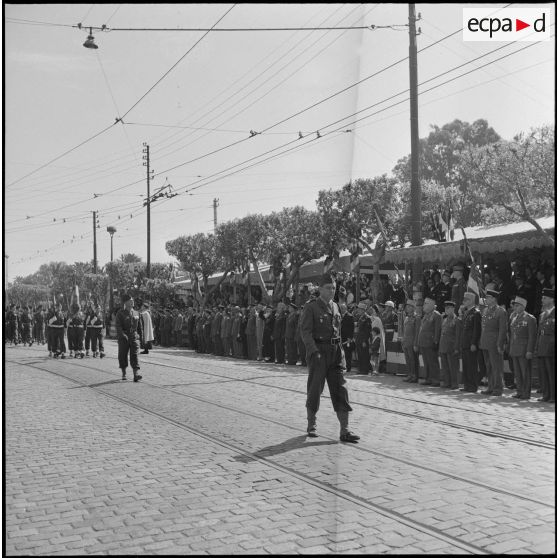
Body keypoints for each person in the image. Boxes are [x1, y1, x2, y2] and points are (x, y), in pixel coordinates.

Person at [300, 273, 359, 443]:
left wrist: (341, 354)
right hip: (319, 352)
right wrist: (313, 351)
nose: (331, 291)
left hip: (335, 352)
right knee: (315, 390)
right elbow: (305, 332)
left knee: (341, 389)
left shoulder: (336, 307)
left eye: (333, 288)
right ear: (320, 289)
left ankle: (345, 430)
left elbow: (338, 332)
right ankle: (311, 424)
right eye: (328, 288)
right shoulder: (311, 307)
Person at [479, 290, 508, 397]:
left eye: (488, 297)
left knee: (496, 367)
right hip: (485, 342)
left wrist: (500, 344)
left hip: (495, 343)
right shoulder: (486, 310)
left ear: (494, 299)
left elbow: (502, 330)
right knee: (489, 366)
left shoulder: (501, 311)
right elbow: (483, 327)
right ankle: (491, 387)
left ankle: (498, 388)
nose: (486, 299)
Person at [507, 296, 536, 400]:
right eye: (514, 305)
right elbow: (512, 335)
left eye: (517, 305)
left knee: (525, 372)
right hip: (515, 349)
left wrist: (529, 350)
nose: (515, 307)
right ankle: (519, 391)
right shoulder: (514, 318)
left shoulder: (530, 318)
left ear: (523, 306)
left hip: (524, 350)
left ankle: (526, 393)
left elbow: (532, 336)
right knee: (517, 373)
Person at [535, 289, 556, 403]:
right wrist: (537, 346)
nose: (542, 300)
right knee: (543, 372)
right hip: (543, 347)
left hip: (552, 348)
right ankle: (546, 395)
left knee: (552, 373)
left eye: (545, 298)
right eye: (542, 298)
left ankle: (553, 396)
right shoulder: (542, 315)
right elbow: (539, 332)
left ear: (552, 299)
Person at [115, 293, 142, 382]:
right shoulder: (120, 313)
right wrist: (122, 335)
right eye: (130, 300)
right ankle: (124, 373)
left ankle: (136, 374)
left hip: (133, 336)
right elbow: (118, 326)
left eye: (132, 300)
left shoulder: (136, 312)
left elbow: (139, 327)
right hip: (124, 337)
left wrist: (141, 337)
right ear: (125, 302)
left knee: (134, 355)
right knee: (123, 355)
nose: (132, 302)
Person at [416, 297, 442, 386]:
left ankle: (435, 379)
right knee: (426, 362)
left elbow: (437, 329)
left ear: (431, 305)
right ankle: (428, 378)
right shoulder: (426, 315)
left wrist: (435, 341)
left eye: (426, 304)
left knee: (433, 362)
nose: (424, 305)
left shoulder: (437, 315)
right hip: (424, 342)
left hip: (430, 342)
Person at [459, 292, 482, 393]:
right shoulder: (466, 312)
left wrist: (474, 343)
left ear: (472, 300)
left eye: (466, 300)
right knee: (466, 365)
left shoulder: (476, 313)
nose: (464, 302)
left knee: (472, 366)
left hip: (471, 344)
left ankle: (473, 385)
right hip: (465, 342)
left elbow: (476, 330)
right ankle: (467, 385)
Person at [439, 301, 460, 389]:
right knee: (445, 366)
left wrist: (456, 347)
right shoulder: (444, 319)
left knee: (453, 367)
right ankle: (447, 382)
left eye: (448, 308)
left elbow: (458, 335)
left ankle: (454, 383)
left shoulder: (457, 320)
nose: (446, 310)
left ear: (453, 309)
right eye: (446, 308)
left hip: (451, 347)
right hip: (444, 346)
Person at [401, 300, 421, 383]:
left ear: (413, 308)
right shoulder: (406, 318)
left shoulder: (417, 318)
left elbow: (417, 332)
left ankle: (414, 376)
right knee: (408, 360)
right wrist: (403, 341)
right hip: (406, 342)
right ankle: (409, 374)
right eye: (406, 306)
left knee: (413, 360)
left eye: (409, 306)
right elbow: (404, 331)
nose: (407, 308)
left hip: (412, 342)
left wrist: (416, 344)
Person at [355, 302, 372, 375]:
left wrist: (365, 340)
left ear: (363, 310)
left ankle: (365, 370)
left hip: (363, 340)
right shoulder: (360, 317)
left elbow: (367, 331)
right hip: (359, 339)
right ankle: (360, 369)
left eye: (359, 309)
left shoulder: (367, 318)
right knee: (360, 354)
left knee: (364, 355)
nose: (358, 310)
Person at [339, 302, 355, 373]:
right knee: (341, 353)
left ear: (346, 308)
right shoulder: (339, 315)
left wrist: (350, 338)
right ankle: (342, 366)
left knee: (347, 353)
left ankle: (348, 367)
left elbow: (352, 328)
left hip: (347, 338)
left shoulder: (350, 316)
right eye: (341, 308)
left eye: (343, 308)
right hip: (340, 337)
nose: (341, 309)